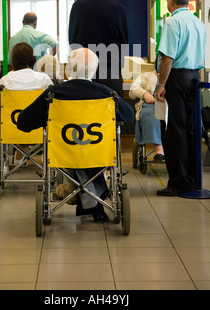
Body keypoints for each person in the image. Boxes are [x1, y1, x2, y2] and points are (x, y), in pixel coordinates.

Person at [17, 48, 135, 222]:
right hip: (99, 153)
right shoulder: (107, 95)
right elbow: (130, 116)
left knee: (72, 151)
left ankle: (81, 194)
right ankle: (95, 194)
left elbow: (23, 122)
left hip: (63, 153)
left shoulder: (53, 94)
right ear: (95, 70)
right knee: (90, 152)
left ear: (68, 69)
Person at [155, 0, 206, 196]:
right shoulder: (198, 23)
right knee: (193, 130)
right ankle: (193, 179)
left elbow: (168, 58)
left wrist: (161, 85)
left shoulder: (173, 22)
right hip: (195, 78)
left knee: (174, 131)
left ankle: (178, 182)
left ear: (171, 2)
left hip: (176, 79)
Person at [68, 0, 129, 96]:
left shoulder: (77, 7)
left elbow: (72, 42)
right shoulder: (118, 9)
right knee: (111, 114)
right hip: (110, 73)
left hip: (83, 74)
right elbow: (124, 42)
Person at [0, 42, 52, 107]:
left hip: (13, 116)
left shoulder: (5, 80)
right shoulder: (44, 79)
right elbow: (53, 100)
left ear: (14, 60)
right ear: (32, 58)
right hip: (38, 116)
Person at [129, 70, 164, 161]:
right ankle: (159, 150)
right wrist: (144, 94)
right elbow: (133, 90)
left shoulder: (175, 75)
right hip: (151, 104)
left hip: (170, 105)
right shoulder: (146, 75)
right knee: (151, 117)